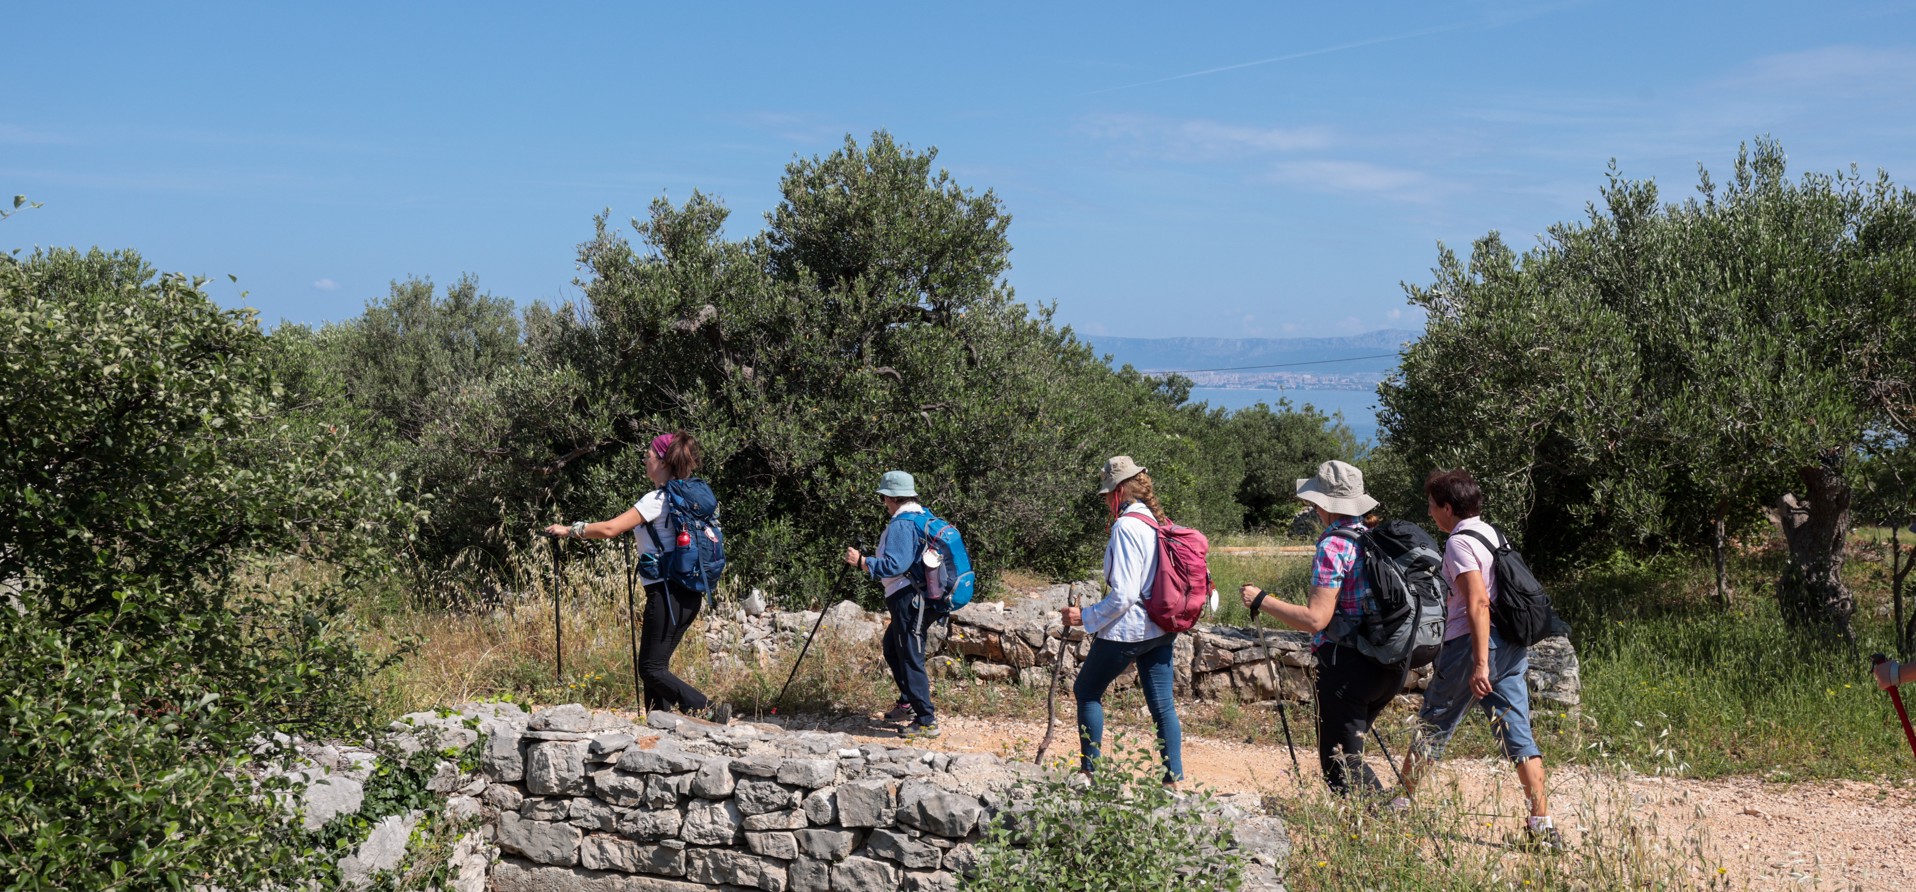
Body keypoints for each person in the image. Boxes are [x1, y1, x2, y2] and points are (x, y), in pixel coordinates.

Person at [1391, 469, 1561, 850]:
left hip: (1474, 646)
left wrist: (1480, 663)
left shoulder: (1458, 544)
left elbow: (1478, 601)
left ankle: (1400, 806)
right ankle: (1542, 828)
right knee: (1519, 734)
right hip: (1511, 643)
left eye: (1433, 506)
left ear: (1448, 507)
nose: (1431, 513)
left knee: (1433, 722)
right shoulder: (1491, 533)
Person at [1239, 459, 1402, 797]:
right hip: (1387, 663)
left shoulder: (1333, 546)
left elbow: (1316, 619)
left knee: (1338, 762)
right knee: (1349, 753)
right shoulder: (1372, 539)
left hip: (1349, 665)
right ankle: (1378, 819)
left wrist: (1262, 600)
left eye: (1314, 502)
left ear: (1325, 505)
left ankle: (1379, 823)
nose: (1312, 508)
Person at [544, 432, 728, 723]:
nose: (645, 460)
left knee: (651, 668)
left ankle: (707, 708)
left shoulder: (657, 499)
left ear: (662, 461)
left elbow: (609, 529)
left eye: (648, 456)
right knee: (657, 666)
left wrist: (570, 530)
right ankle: (659, 724)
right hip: (689, 594)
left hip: (666, 593)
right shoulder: (687, 498)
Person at [1062, 456, 1184, 789]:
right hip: (1160, 628)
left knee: (1086, 691)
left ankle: (1089, 774)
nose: (1103, 499)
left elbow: (1125, 594)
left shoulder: (1127, 526)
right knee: (1162, 706)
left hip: (1130, 629)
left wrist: (1084, 617)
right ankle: (1172, 782)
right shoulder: (1158, 522)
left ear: (1119, 491)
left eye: (1106, 493)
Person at [845, 470, 943, 741]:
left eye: (884, 499)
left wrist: (863, 562)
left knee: (911, 655)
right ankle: (908, 703)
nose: (884, 504)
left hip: (908, 598)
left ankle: (926, 721)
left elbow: (895, 564)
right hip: (918, 596)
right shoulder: (922, 516)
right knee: (892, 647)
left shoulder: (902, 524)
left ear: (892, 498)